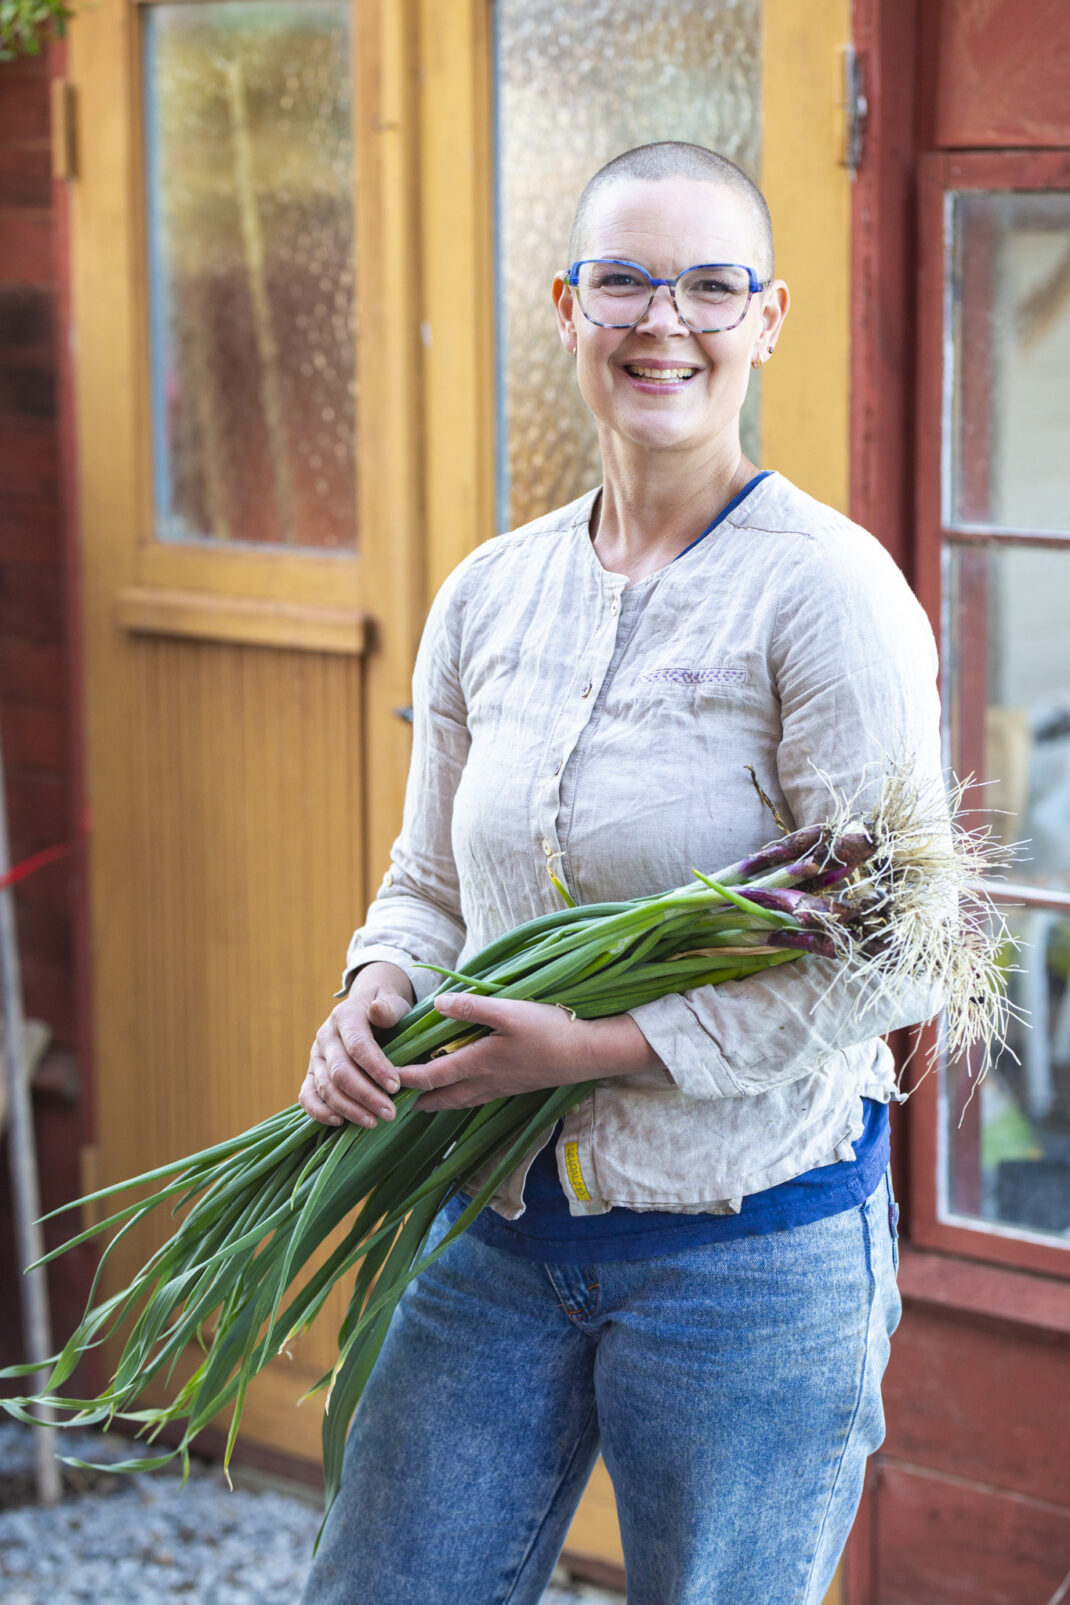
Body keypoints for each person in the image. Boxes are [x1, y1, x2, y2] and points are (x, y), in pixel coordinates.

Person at [299, 142, 939, 1605]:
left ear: (767, 318)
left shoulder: (825, 595)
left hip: (745, 1249)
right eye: (625, 282)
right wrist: (374, 984)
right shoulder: (491, 592)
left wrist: (590, 1045)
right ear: (566, 305)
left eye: (711, 285)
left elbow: (895, 948)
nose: (667, 321)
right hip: (491, 1215)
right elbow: (426, 876)